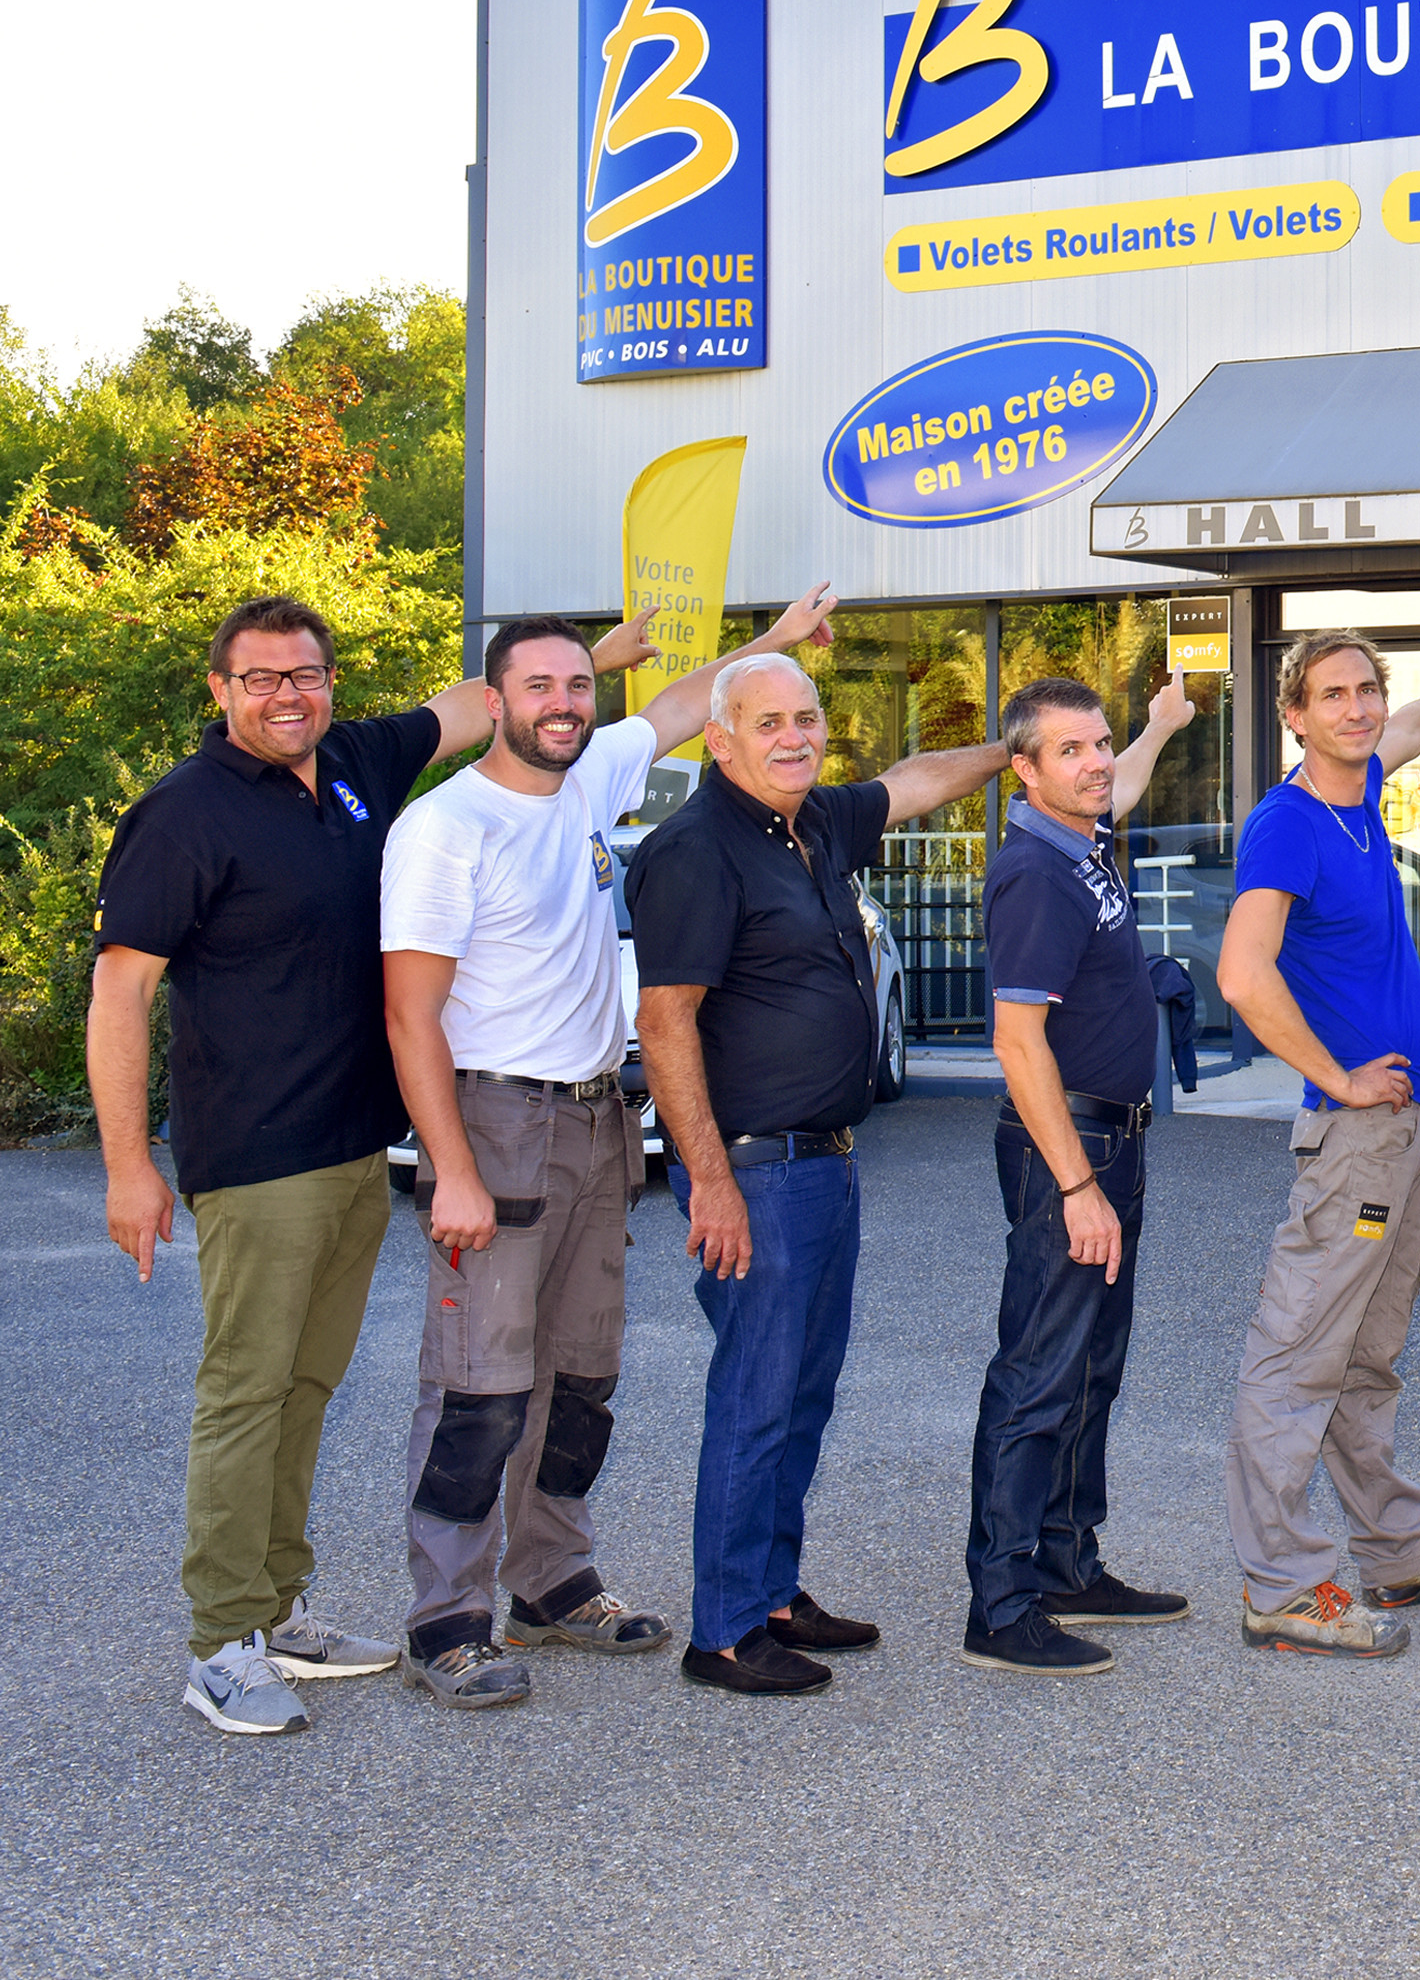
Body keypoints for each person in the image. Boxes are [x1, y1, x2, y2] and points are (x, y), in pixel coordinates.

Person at [94, 594, 635, 1737]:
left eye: (306, 673)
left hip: (351, 1143)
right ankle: (221, 1640)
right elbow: (120, 992)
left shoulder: (346, 764)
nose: (287, 695)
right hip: (254, 1153)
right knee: (246, 1390)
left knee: (307, 1385)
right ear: (221, 690)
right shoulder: (183, 816)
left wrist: (606, 658)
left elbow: (453, 712)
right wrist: (127, 1165)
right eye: (260, 678)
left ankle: (280, 1606)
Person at [377, 593, 830, 1711]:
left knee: (581, 1374)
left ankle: (552, 1578)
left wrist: (767, 643)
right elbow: (408, 1015)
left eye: (578, 684)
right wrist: (457, 1168)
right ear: (495, 703)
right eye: (540, 686)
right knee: (480, 1384)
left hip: (594, 1119)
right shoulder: (444, 827)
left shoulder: (587, 778)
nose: (565, 704)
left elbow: (680, 708)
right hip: (495, 1121)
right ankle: (447, 1618)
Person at [626, 653, 1009, 1698]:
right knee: (755, 1398)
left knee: (801, 1396)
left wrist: (1011, 749)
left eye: (807, 718)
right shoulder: (695, 850)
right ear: (720, 737)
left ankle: (774, 1594)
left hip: (825, 1165)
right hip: (755, 1174)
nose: (794, 736)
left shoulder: (812, 823)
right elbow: (665, 1024)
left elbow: (922, 776)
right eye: (769, 722)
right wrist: (707, 1180)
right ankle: (723, 1629)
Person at [1216, 629, 1420, 1657]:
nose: (1355, 708)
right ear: (1293, 715)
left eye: (1367, 692)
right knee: (1299, 1352)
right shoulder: (1287, 825)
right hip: (1356, 1133)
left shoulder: (1363, 785)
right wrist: (1340, 1077)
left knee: (1367, 1353)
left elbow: (1405, 731)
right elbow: (1243, 973)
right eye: (1331, 695)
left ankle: (1397, 1550)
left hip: (1407, 1126)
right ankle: (1283, 1585)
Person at [959, 673, 1200, 1678]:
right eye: (1072, 750)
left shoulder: (1085, 837)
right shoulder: (1036, 873)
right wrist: (1074, 1184)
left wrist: (1159, 726)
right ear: (1024, 768)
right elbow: (1018, 1042)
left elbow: (1124, 780)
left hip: (1114, 1138)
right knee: (1040, 1372)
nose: (1098, 762)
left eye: (1100, 743)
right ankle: (1003, 1600)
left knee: (1093, 1368)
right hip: (1072, 1150)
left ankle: (1066, 1560)